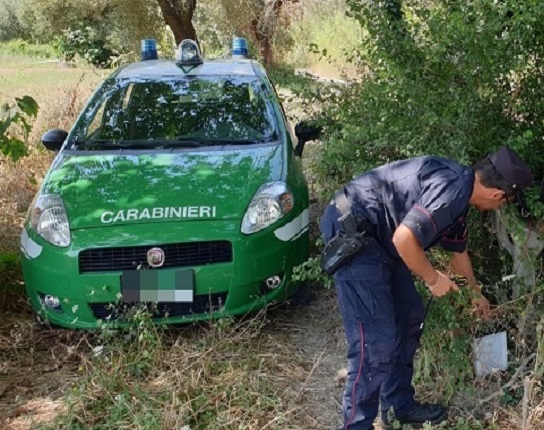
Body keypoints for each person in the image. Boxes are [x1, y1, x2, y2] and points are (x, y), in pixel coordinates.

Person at [319, 147, 534, 430]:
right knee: (376, 341)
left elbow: (458, 253)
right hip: (354, 232)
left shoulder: (461, 191)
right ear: (497, 195)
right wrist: (433, 279)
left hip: (380, 241)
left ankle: (398, 404)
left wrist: (475, 293)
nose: (499, 206)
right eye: (504, 202)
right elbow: (405, 239)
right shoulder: (452, 190)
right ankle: (356, 425)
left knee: (410, 315)